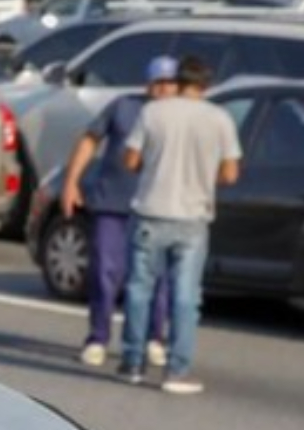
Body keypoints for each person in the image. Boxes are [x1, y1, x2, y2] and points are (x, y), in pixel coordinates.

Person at [119, 54, 242, 394]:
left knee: (139, 290)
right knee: (186, 297)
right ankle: (177, 370)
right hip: (193, 216)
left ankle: (132, 361)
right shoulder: (219, 119)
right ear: (206, 84)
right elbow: (231, 173)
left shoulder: (153, 112)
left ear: (179, 80)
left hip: (150, 210)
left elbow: (130, 159)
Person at [60, 55, 176, 370]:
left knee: (157, 278)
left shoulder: (179, 117)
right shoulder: (124, 106)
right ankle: (97, 338)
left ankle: (154, 337)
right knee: (104, 273)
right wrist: (72, 183)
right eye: (159, 83)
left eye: (170, 83)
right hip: (112, 202)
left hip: (157, 208)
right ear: (148, 83)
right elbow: (89, 140)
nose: (164, 89)